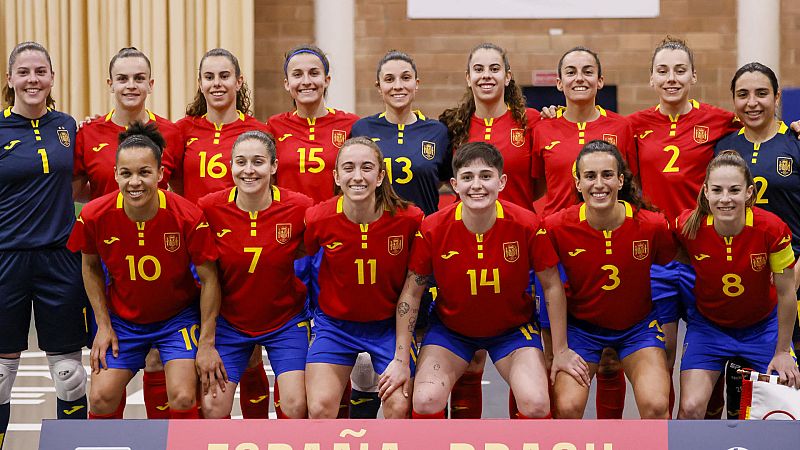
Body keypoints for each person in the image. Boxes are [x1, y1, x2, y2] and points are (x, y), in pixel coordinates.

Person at [381, 141, 587, 419]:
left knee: (537, 402)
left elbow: (551, 285)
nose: (476, 185)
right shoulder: (433, 227)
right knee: (426, 399)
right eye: (467, 177)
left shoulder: (526, 224)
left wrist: (560, 350)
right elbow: (412, 293)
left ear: (501, 181)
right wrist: (401, 359)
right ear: (454, 184)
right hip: (451, 331)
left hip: (513, 331)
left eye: (485, 176)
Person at [67, 122, 222, 420]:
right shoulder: (94, 215)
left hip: (177, 319)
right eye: (126, 173)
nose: (135, 182)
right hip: (123, 321)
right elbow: (90, 267)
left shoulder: (187, 216)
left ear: (161, 174)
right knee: (100, 398)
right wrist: (103, 325)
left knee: (183, 394)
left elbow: (210, 278)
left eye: (144, 172)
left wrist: (207, 342)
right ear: (115, 174)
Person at [625, 36, 740, 417]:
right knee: (664, 352)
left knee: (715, 346)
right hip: (657, 260)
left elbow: (760, 125)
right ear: (651, 79)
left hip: (703, 257)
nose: (671, 78)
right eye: (663, 71)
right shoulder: (634, 125)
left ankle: (710, 428)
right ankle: (667, 434)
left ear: (693, 76)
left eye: (679, 70)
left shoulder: (719, 120)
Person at [72, 47, 184, 419]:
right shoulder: (88, 131)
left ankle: (161, 441)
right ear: (110, 84)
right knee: (108, 357)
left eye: (139, 78)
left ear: (151, 84)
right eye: (122, 78)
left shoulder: (172, 131)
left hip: (161, 259)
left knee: (157, 360)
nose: (130, 85)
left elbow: (180, 192)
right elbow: (77, 191)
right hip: (108, 260)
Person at [531, 47, 635, 419]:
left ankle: (609, 437)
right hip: (553, 252)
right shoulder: (541, 128)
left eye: (588, 71)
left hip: (604, 248)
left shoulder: (621, 128)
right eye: (571, 72)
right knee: (551, 352)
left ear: (600, 81)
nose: (579, 78)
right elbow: (535, 188)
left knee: (610, 360)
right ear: (558, 83)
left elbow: (631, 186)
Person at [438, 42, 540, 418]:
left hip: (518, 248)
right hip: (466, 246)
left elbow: (542, 183)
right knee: (473, 357)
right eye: (478, 69)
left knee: (523, 357)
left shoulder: (532, 121)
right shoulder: (451, 125)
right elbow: (441, 184)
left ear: (507, 76)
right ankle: (467, 438)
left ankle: (522, 437)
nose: (486, 75)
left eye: (494, 68)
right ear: (468, 78)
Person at [348, 49, 450, 417]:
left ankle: (424, 426)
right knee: (371, 340)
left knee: (420, 345)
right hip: (375, 247)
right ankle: (361, 417)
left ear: (417, 84)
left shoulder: (437, 132)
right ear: (378, 87)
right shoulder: (363, 129)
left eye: (405, 78)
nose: (398, 85)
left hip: (422, 248)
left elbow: (451, 186)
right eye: (389, 79)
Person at [174, 48, 273, 418]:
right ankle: (201, 437)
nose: (217, 84)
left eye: (224, 76)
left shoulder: (260, 130)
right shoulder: (181, 130)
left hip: (247, 253)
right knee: (202, 350)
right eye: (209, 77)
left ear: (239, 81)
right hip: (195, 255)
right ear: (200, 83)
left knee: (249, 357)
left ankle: (257, 436)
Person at [544, 140, 674, 419]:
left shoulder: (651, 225)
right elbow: (545, 286)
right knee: (567, 407)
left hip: (637, 328)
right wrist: (557, 349)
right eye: (590, 176)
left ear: (620, 180)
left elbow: (670, 272)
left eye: (607, 175)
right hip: (581, 330)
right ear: (578, 183)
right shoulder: (556, 227)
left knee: (656, 405)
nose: (599, 184)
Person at [0, 41, 88, 447]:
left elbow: (78, 183)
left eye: (40, 71)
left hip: (60, 260)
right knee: (1, 377)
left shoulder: (68, 126)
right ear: (10, 79)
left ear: (52, 77)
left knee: (69, 374)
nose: (32, 79)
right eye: (24, 72)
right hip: (7, 261)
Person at [267, 44, 359, 417]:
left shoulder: (352, 125)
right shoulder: (270, 127)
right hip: (286, 250)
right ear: (287, 83)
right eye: (298, 75)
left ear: (327, 79)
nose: (307, 81)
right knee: (288, 348)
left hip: (335, 249)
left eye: (314, 73)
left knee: (336, 346)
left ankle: (346, 435)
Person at [304, 137, 423, 419]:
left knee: (399, 405)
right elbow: (303, 267)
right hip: (335, 327)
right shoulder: (318, 219)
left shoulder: (409, 220)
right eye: (348, 168)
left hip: (387, 327)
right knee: (319, 408)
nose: (357, 176)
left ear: (380, 176)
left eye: (367, 168)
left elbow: (413, 289)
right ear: (336, 176)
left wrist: (401, 357)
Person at [675, 150, 800, 419]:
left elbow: (787, 292)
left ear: (749, 193)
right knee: (690, 407)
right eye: (717, 190)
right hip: (709, 328)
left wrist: (782, 351)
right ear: (706, 191)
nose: (725, 198)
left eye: (734, 190)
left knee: (788, 404)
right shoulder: (688, 226)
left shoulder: (772, 229)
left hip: (763, 328)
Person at [199, 131, 313, 419]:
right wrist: (206, 340)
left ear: (274, 167)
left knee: (295, 404)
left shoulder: (299, 207)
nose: (249, 170)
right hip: (231, 323)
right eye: (241, 162)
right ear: (231, 166)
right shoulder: (210, 208)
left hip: (285, 321)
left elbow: (321, 241)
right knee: (213, 407)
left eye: (258, 162)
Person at [715, 62, 800, 417]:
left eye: (762, 93)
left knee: (789, 383)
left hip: (792, 274)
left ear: (777, 97)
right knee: (743, 388)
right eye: (743, 94)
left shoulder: (794, 142)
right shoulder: (724, 147)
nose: (752, 102)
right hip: (741, 279)